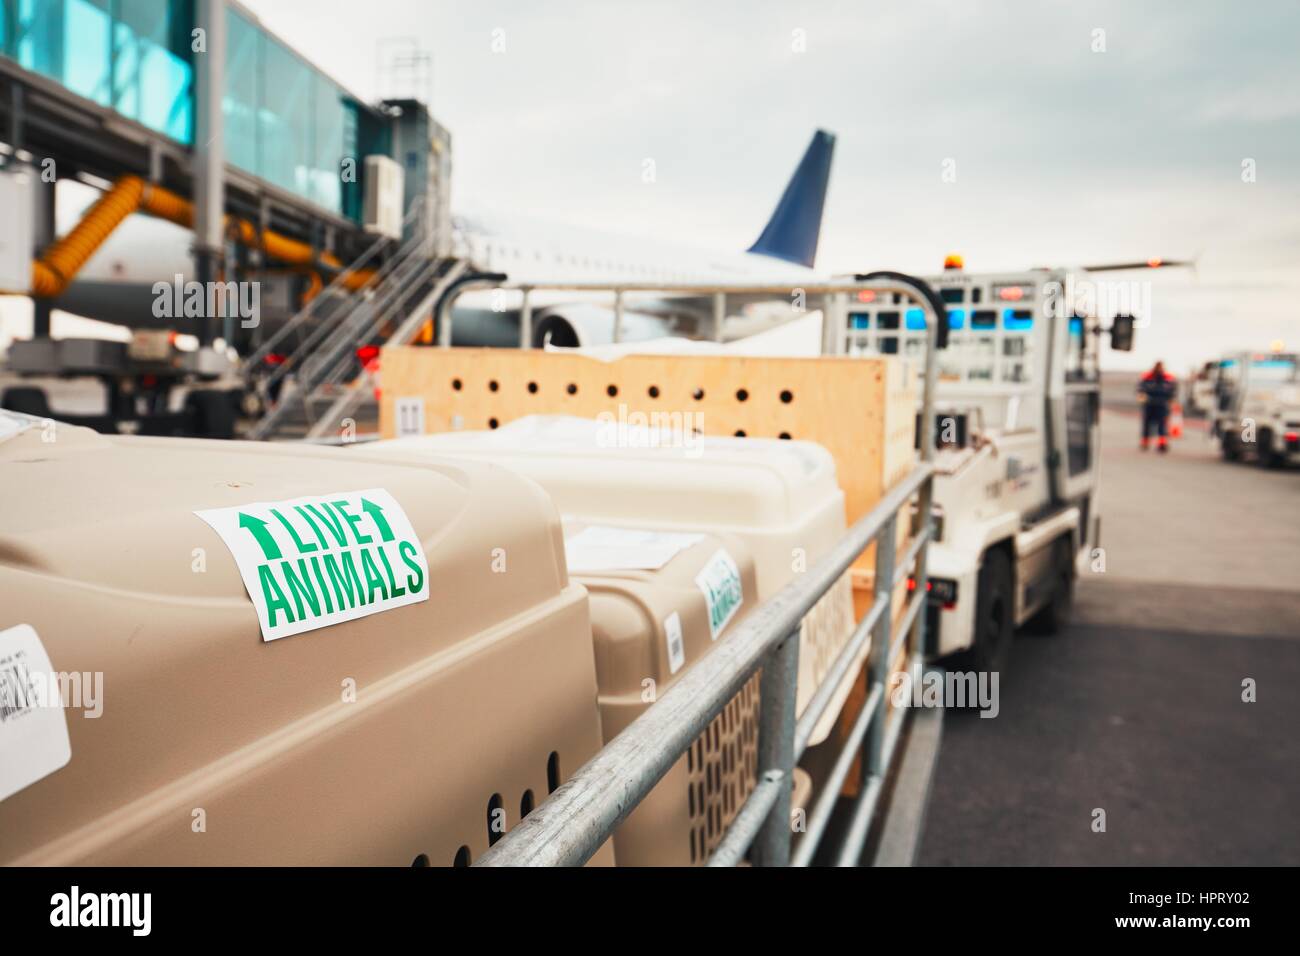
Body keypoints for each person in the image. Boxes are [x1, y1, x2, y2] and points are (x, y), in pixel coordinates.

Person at [1137, 360, 1177, 452]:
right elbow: (1140, 389)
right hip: (1149, 404)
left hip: (1162, 404)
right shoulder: (1147, 377)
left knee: (1162, 425)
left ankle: (1161, 443)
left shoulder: (1167, 378)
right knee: (1147, 424)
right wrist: (1142, 397)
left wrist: (1171, 400)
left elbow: (1172, 390)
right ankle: (1145, 442)